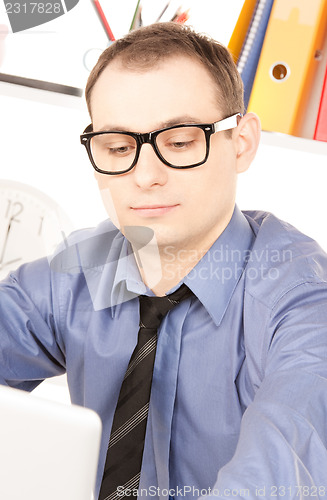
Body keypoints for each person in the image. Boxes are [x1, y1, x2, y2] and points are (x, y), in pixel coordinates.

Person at [1, 21, 327, 500]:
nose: (145, 175)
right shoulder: (77, 272)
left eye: (179, 142)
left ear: (241, 143)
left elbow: (280, 467)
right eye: (117, 147)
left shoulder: (301, 301)